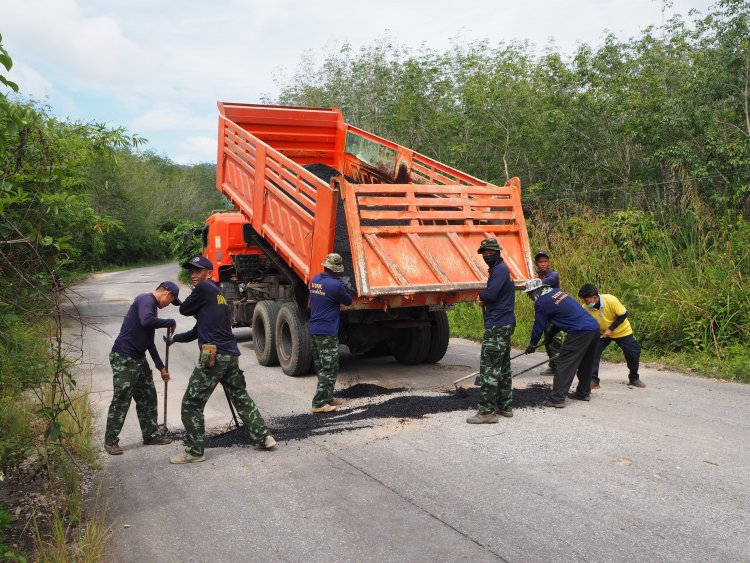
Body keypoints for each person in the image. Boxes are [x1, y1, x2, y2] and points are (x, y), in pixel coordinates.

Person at [168, 255, 276, 464]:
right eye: (191, 271)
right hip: (230, 355)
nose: (193, 275)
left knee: (191, 403)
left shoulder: (203, 288)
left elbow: (184, 309)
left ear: (209, 273)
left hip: (214, 356)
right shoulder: (217, 295)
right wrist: (175, 339)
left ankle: (194, 451)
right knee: (240, 398)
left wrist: (181, 300)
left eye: (198, 271)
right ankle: (264, 437)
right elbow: (199, 328)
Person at [104, 282, 181, 455]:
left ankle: (150, 435)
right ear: (167, 294)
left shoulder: (152, 308)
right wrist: (170, 321)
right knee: (122, 399)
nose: (169, 305)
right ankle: (110, 441)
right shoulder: (145, 299)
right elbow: (146, 322)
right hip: (124, 357)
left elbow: (149, 342)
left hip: (138, 358)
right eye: (171, 301)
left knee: (148, 396)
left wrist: (161, 367)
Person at [524, 279, 601, 407]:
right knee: (586, 362)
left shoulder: (541, 302)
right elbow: (562, 317)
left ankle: (557, 398)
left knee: (565, 363)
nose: (529, 296)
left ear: (535, 291)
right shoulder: (557, 292)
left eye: (529, 294)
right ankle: (583, 393)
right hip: (593, 327)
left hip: (579, 332)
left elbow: (538, 325)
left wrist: (532, 344)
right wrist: (549, 336)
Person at [466, 238, 516, 424]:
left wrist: (482, 295)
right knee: (503, 367)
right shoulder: (501, 269)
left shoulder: (500, 271)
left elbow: (492, 294)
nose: (487, 255)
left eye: (490, 252)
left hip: (497, 325)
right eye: (484, 253)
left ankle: (487, 412)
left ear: (497, 252)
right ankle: (505, 406)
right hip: (505, 323)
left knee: (489, 369)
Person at [578, 284, 646, 389]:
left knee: (633, 352)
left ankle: (634, 378)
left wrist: (611, 329)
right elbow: (586, 323)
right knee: (593, 352)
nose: (585, 303)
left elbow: (623, 314)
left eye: (586, 300)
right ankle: (593, 380)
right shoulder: (585, 307)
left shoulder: (610, 300)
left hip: (622, 331)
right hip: (602, 333)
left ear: (594, 298)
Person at [309, 253, 353, 413]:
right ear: (336, 269)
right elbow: (348, 301)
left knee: (322, 367)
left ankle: (327, 397)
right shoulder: (335, 285)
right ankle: (319, 403)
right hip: (327, 332)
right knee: (330, 367)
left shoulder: (314, 280)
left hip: (314, 329)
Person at [534, 251, 563, 376]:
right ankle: (553, 366)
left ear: (548, 262)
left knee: (556, 339)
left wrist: (535, 280)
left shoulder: (553, 275)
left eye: (545, 261)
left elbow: (548, 280)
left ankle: (561, 367)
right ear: (537, 264)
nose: (543, 264)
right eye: (540, 262)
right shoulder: (535, 275)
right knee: (547, 340)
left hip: (555, 311)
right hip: (543, 311)